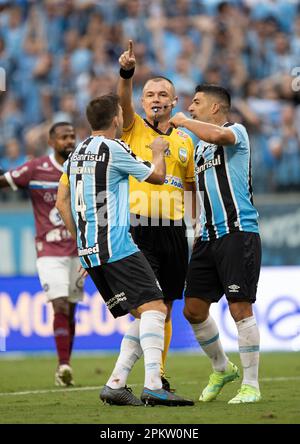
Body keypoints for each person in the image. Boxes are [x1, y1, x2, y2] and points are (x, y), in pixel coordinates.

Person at [56, 93, 194, 407]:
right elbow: (157, 177)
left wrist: (81, 238)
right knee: (157, 309)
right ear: (116, 119)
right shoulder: (114, 149)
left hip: (90, 251)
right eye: (121, 113)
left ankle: (116, 383)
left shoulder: (75, 154)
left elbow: (62, 200)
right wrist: (158, 151)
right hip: (117, 246)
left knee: (144, 313)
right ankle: (154, 385)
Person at [169, 84, 261, 404]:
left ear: (215, 109)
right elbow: (193, 188)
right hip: (207, 238)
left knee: (240, 308)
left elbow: (216, 136)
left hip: (238, 232)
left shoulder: (236, 131)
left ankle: (251, 385)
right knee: (193, 309)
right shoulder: (199, 150)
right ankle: (222, 368)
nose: (190, 107)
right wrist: (194, 226)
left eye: (196, 103)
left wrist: (183, 122)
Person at [118, 40, 196, 390]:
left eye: (163, 94)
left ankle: (156, 375)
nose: (156, 99)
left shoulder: (185, 139)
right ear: (141, 101)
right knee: (149, 305)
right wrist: (127, 72)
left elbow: (191, 185)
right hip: (140, 228)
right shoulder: (133, 127)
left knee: (164, 305)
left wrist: (194, 223)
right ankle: (133, 377)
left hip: (175, 231)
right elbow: (122, 99)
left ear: (174, 101)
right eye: (149, 94)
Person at [0, 122, 83, 387]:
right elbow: (5, 180)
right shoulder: (36, 168)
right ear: (51, 142)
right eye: (63, 137)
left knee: (70, 310)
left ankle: (64, 369)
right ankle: (64, 365)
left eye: (72, 137)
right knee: (58, 304)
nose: (69, 141)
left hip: (78, 251)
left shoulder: (82, 167)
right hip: (48, 251)